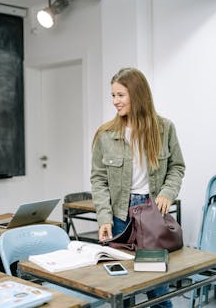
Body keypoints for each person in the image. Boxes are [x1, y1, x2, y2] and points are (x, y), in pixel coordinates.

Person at [91, 67, 185, 308]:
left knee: (158, 288)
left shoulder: (164, 128)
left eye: (120, 95)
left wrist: (167, 193)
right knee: (122, 287)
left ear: (137, 93)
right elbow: (99, 180)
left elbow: (177, 167)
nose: (115, 101)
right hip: (119, 217)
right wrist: (103, 218)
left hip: (152, 214)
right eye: (113, 95)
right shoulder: (105, 134)